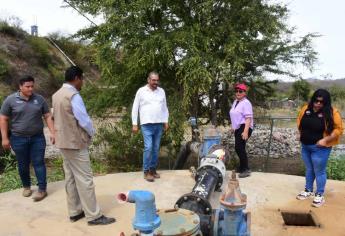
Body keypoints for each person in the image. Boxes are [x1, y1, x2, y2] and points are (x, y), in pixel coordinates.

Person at [52, 66, 115, 225]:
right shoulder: (74, 95)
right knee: (85, 179)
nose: (83, 83)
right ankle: (94, 216)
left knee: (70, 178)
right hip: (75, 143)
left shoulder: (56, 95)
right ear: (77, 78)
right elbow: (84, 120)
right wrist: (92, 132)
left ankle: (75, 211)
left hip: (63, 143)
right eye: (82, 79)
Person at [0, 75, 54, 201]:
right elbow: (3, 118)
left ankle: (42, 189)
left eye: (32, 86)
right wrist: (4, 138)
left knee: (39, 163)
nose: (31, 89)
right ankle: (26, 187)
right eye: (27, 86)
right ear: (20, 87)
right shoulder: (10, 100)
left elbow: (47, 115)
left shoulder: (39, 99)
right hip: (18, 138)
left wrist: (53, 132)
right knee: (23, 164)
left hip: (37, 138)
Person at [296, 89, 343, 207]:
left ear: (326, 103)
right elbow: (299, 121)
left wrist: (325, 140)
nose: (318, 104)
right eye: (316, 101)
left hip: (321, 148)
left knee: (319, 171)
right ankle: (308, 190)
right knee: (309, 169)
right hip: (305, 145)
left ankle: (319, 194)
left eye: (321, 102)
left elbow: (338, 129)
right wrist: (299, 133)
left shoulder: (332, 112)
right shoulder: (305, 108)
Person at [131, 71, 169, 182]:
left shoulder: (161, 91)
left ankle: (153, 170)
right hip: (146, 124)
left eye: (157, 80)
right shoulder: (141, 91)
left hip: (158, 124)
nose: (155, 82)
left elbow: (164, 108)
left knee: (156, 148)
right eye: (153, 80)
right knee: (148, 147)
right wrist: (134, 123)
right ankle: (146, 171)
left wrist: (166, 121)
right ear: (148, 80)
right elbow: (135, 107)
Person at [229, 83, 254, 178]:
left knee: (239, 147)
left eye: (240, 91)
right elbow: (235, 115)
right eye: (236, 91)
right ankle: (242, 167)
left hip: (245, 126)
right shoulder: (236, 102)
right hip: (238, 127)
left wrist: (246, 131)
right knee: (240, 147)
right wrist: (233, 127)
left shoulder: (246, 103)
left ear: (244, 93)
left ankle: (246, 169)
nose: (238, 93)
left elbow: (248, 118)